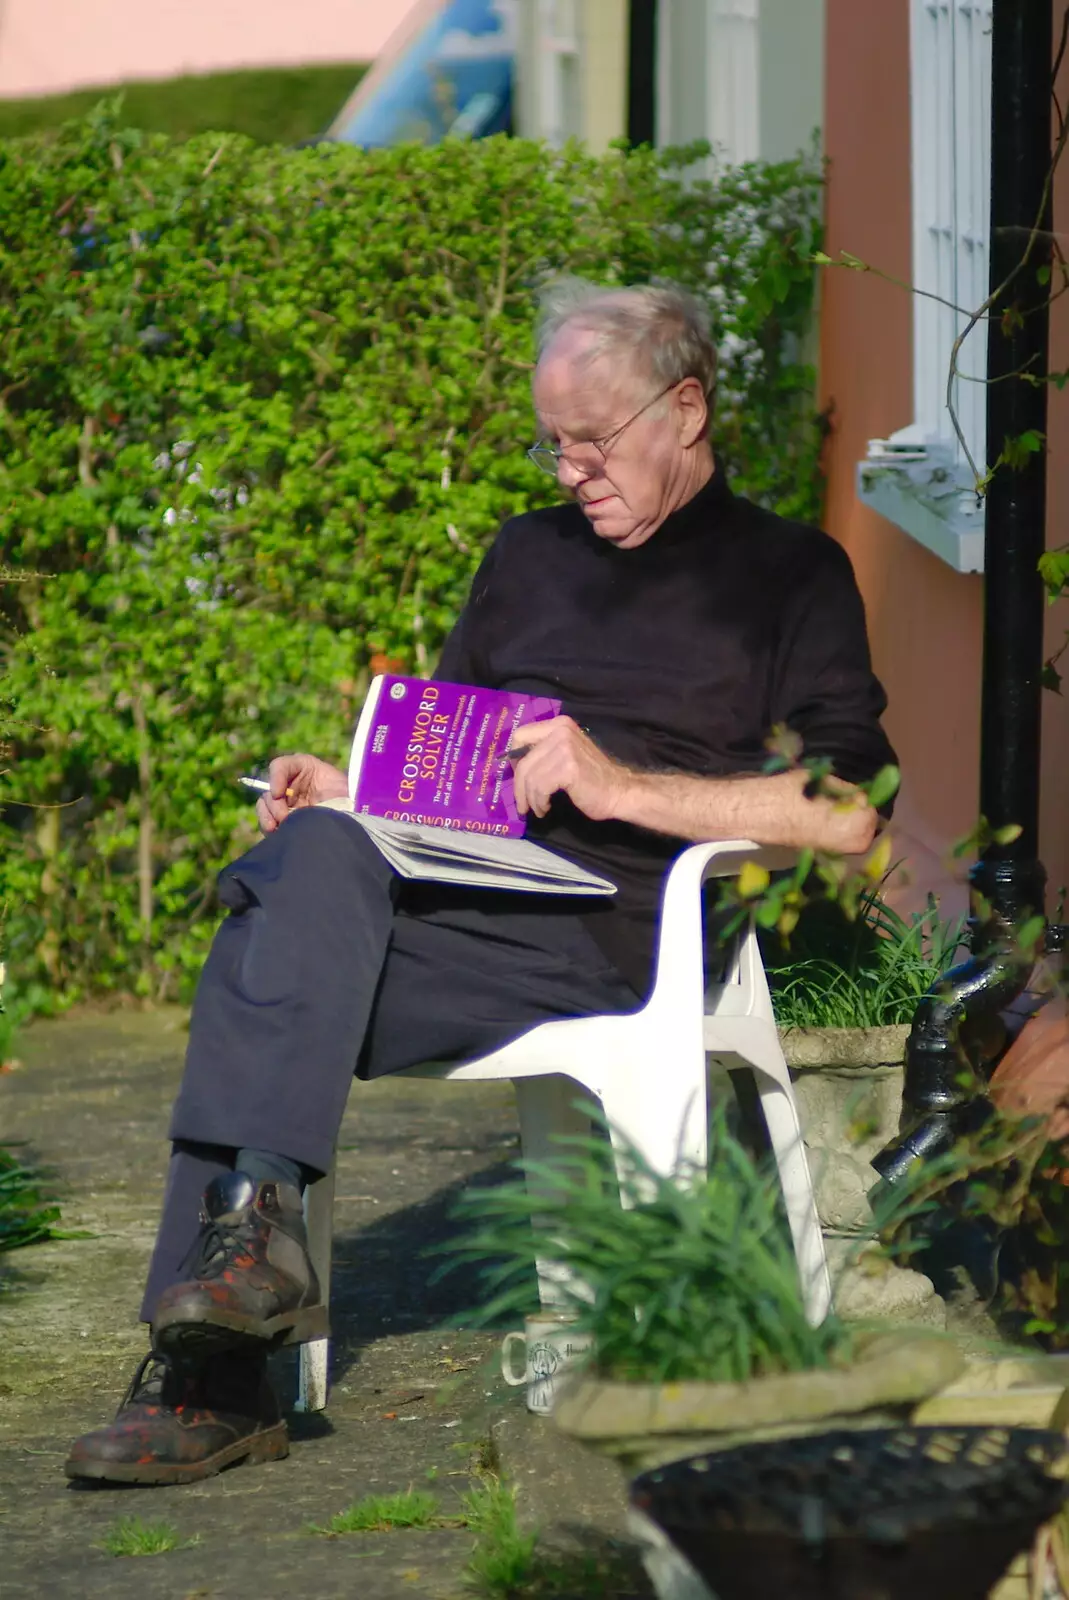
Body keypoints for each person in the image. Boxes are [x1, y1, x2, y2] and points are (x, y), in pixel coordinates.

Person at [66, 279, 896, 1485]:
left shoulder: (793, 575)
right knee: (302, 863)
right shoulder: (525, 553)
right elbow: (438, 772)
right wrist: (346, 795)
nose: (569, 470)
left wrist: (620, 788)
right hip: (462, 903)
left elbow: (845, 810)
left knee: (256, 962)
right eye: (551, 443)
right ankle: (248, 1260)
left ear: (686, 407)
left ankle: (213, 1374)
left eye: (593, 441)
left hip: (623, 930)